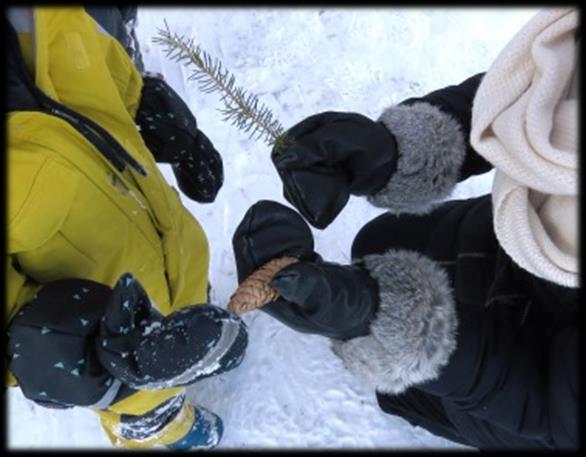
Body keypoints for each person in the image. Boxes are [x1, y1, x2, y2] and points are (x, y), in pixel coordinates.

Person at [232, 8, 578, 450]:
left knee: (407, 395)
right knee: (378, 242)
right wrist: (393, 151)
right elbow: (525, 96)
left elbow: (545, 397)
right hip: (503, 235)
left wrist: (377, 316)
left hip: (531, 383)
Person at [6, 6, 247, 449]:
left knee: (189, 294)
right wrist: (52, 344)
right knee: (143, 397)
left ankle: (191, 306)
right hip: (107, 334)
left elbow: (98, 61)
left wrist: (159, 115)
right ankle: (155, 427)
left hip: (161, 230)